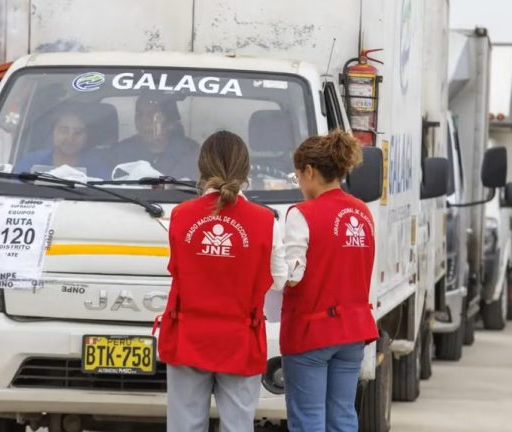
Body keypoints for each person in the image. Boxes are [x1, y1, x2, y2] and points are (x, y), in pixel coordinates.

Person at [155, 130, 287, 432]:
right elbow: (279, 280)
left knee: (185, 427)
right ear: (246, 170)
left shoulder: (180, 216)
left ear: (201, 168)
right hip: (241, 337)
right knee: (238, 427)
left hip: (188, 334)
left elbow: (177, 269)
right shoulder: (266, 221)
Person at [280, 130, 378, 432]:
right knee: (343, 416)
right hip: (353, 331)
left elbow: (293, 275)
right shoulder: (363, 212)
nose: (299, 184)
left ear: (309, 171)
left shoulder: (301, 214)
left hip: (311, 331)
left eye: (298, 176)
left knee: (308, 419)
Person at [110, 97, 199, 179]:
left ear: (171, 124)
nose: (143, 121)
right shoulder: (121, 152)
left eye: (152, 116)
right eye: (139, 115)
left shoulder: (191, 152)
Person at [15, 103, 90, 173]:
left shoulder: (97, 167)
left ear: (86, 137)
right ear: (53, 132)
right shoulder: (32, 161)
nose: (70, 138)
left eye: (78, 132)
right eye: (64, 131)